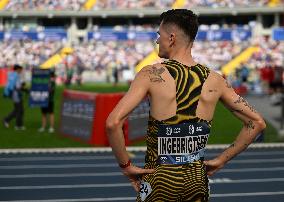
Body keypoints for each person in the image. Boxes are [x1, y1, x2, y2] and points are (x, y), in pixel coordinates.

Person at [106, 9, 266, 202]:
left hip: (160, 180)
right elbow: (256, 123)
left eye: (159, 35)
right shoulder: (215, 80)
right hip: (197, 180)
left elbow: (113, 123)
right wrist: (221, 160)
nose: (157, 41)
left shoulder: (151, 74)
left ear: (171, 38)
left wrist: (126, 167)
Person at [3, 64, 27, 130]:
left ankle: (6, 120)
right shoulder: (17, 75)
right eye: (20, 69)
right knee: (20, 110)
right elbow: (18, 86)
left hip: (13, 94)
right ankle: (18, 125)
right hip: (17, 94)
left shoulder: (12, 75)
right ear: (18, 69)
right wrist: (25, 89)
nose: (21, 70)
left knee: (17, 110)